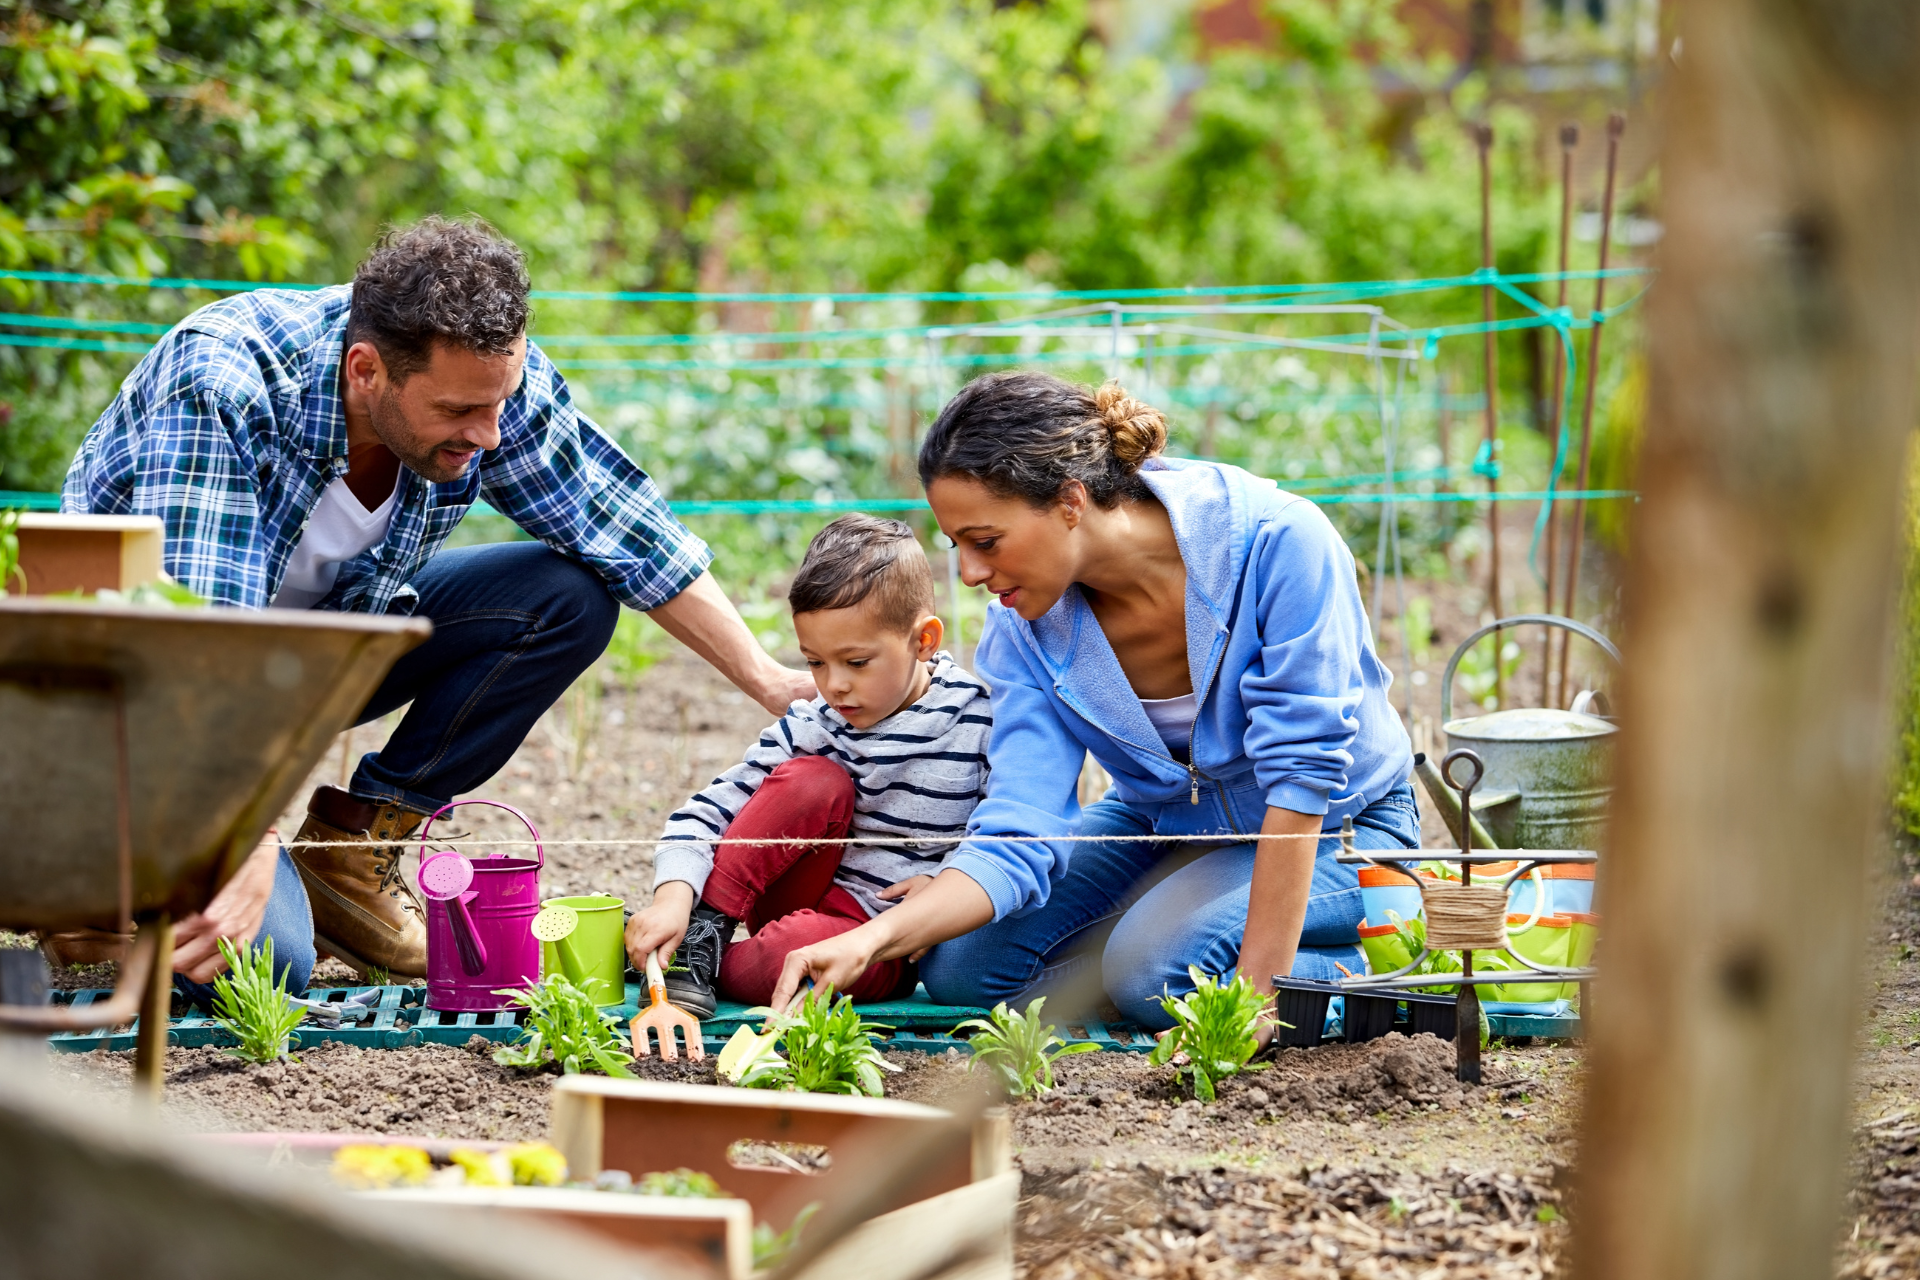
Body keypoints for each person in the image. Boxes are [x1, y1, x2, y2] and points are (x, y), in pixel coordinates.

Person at [55, 216, 813, 998]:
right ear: (366, 371)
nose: (488, 435)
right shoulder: (225, 382)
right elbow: (191, 645)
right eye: (458, 413)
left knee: (565, 598)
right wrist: (244, 845)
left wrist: (768, 679)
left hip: (304, 660)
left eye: (498, 404)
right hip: (127, 705)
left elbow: (623, 528)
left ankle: (348, 856)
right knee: (265, 962)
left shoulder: (484, 384)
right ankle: (90, 876)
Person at [767, 372, 1418, 1034]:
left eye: (984, 541)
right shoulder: (1024, 626)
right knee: (961, 968)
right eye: (955, 544)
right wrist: (873, 939)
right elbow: (1022, 821)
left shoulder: (1278, 543)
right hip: (1165, 826)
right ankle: (1159, 940)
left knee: (1155, 977)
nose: (966, 573)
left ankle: (1394, 955)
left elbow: (1302, 778)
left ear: (1071, 501)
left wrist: (1257, 997)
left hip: (1343, 828)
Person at [623, 514, 991, 1014]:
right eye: (815, 662)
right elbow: (708, 812)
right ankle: (698, 933)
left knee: (788, 958)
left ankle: (668, 959)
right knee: (813, 780)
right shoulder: (817, 722)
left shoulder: (978, 720)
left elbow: (1003, 832)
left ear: (923, 640)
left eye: (856, 662)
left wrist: (946, 884)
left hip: (880, 939)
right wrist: (674, 896)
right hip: (796, 890)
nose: (833, 684)